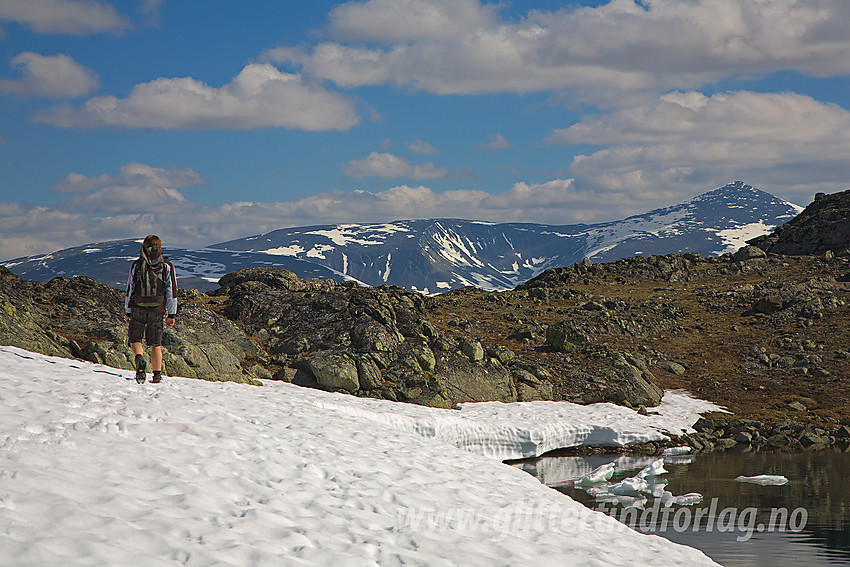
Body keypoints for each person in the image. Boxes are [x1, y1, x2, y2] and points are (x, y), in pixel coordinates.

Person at [125, 235, 178, 383]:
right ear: (160, 248)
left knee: (135, 340)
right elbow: (171, 291)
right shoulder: (166, 266)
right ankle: (156, 375)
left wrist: (128, 311)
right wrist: (171, 314)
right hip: (157, 309)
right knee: (156, 344)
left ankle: (139, 358)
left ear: (143, 247)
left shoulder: (136, 265)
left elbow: (130, 288)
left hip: (138, 308)